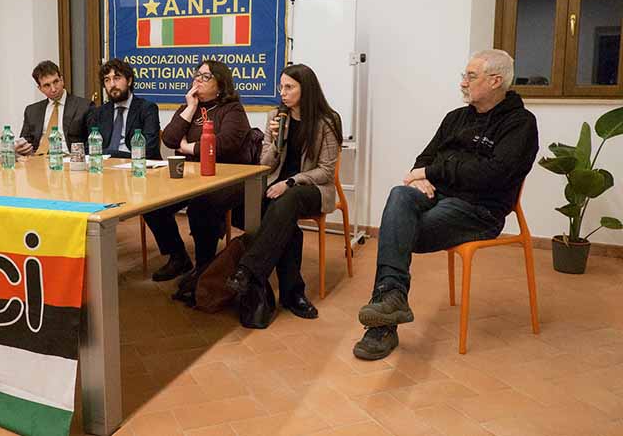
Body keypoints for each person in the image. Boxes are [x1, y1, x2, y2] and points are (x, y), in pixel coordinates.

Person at [352, 49, 539, 361]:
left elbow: (491, 175)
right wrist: (420, 177)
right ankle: (391, 299)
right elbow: (424, 160)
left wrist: (431, 172)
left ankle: (382, 325)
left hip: (480, 211)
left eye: (471, 76)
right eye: (464, 75)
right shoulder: (455, 119)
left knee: (399, 232)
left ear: (495, 81)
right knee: (400, 194)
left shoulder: (520, 124)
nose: (463, 82)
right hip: (438, 198)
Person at [225, 64, 343, 321]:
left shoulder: (327, 121)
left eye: (289, 87)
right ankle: (291, 292)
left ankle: (248, 270)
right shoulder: (276, 117)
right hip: (277, 189)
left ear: (306, 89)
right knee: (261, 212)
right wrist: (276, 143)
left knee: (287, 199)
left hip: (311, 189)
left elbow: (325, 171)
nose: (283, 93)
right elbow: (265, 165)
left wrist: (291, 182)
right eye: (281, 87)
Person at [146, 60, 252, 282]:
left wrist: (188, 148)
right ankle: (178, 256)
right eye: (197, 75)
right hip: (191, 176)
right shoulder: (189, 107)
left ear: (220, 84)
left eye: (206, 76)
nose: (198, 80)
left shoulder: (232, 109)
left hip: (228, 177)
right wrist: (190, 107)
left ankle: (204, 268)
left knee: (201, 206)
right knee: (152, 203)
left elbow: (226, 143)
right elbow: (170, 139)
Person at [16, 61, 93, 156]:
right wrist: (22, 148)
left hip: (69, 159)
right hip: (38, 159)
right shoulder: (32, 111)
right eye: (47, 85)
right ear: (40, 88)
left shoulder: (84, 106)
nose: (53, 89)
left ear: (62, 80)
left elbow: (92, 142)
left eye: (55, 82)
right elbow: (25, 142)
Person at [89, 58, 161, 159]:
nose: (112, 84)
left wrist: (112, 155)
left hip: (137, 165)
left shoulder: (147, 109)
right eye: (107, 80)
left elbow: (149, 149)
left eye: (117, 78)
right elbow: (90, 147)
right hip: (105, 165)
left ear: (129, 81)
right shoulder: (99, 112)